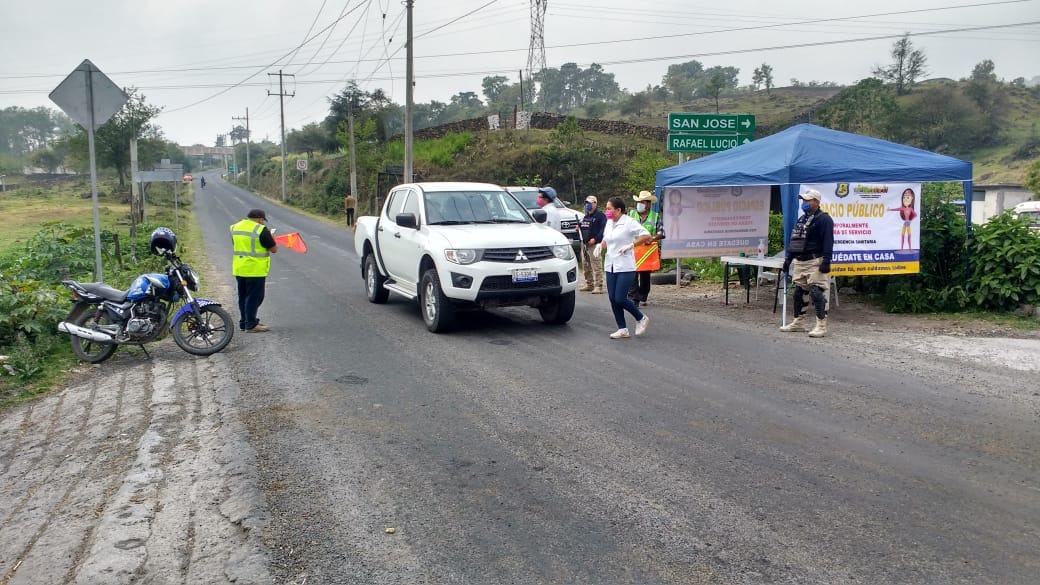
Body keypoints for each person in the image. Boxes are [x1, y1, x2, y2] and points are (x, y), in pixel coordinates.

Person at [593, 196, 653, 339]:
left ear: (618, 210)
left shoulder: (629, 222)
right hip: (610, 264)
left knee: (620, 298)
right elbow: (607, 239)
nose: (606, 211)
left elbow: (646, 235)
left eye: (609, 209)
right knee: (613, 298)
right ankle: (622, 328)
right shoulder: (609, 222)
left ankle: (641, 318)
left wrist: (631, 245)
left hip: (625, 265)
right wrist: (600, 246)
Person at [780, 189, 834, 338]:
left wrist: (826, 261)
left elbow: (828, 242)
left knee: (817, 293)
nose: (805, 203)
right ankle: (798, 322)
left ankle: (821, 326)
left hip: (815, 260)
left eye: (808, 200)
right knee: (798, 293)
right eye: (803, 200)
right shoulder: (802, 220)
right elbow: (795, 241)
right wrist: (788, 259)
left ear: (816, 202)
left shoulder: (824, 219)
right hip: (800, 261)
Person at [230, 209, 278, 333]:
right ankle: (251, 324)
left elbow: (235, 244)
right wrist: (272, 238)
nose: (262, 223)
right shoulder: (261, 230)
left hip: (239, 267)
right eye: (262, 220)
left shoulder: (235, 227)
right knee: (255, 297)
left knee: (243, 296)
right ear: (260, 219)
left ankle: (245, 322)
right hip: (255, 269)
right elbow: (273, 249)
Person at [627, 190, 665, 307]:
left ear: (648, 204)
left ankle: (642, 295)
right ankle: (633, 297)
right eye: (640, 202)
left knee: (645, 276)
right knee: (632, 273)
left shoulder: (655, 216)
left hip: (647, 251)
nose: (641, 204)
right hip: (633, 249)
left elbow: (662, 232)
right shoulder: (631, 215)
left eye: (643, 202)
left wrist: (653, 238)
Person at [579, 195, 607, 294]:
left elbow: (603, 230)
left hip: (595, 245)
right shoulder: (585, 216)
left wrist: (595, 239)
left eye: (590, 203)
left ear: (595, 204)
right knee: (586, 265)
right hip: (585, 244)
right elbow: (584, 228)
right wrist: (578, 227)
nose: (588, 205)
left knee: (596, 265)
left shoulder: (600, 216)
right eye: (586, 203)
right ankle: (589, 284)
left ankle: (598, 286)